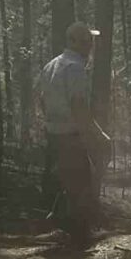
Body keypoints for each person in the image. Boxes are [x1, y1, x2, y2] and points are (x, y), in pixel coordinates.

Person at [38, 22, 109, 245]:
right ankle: (81, 236)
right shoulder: (75, 68)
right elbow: (79, 106)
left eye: (91, 41)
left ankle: (62, 228)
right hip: (70, 135)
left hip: (53, 134)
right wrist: (97, 135)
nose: (90, 46)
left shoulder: (51, 65)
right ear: (75, 42)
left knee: (64, 181)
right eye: (87, 41)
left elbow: (42, 99)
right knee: (81, 182)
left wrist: (51, 123)